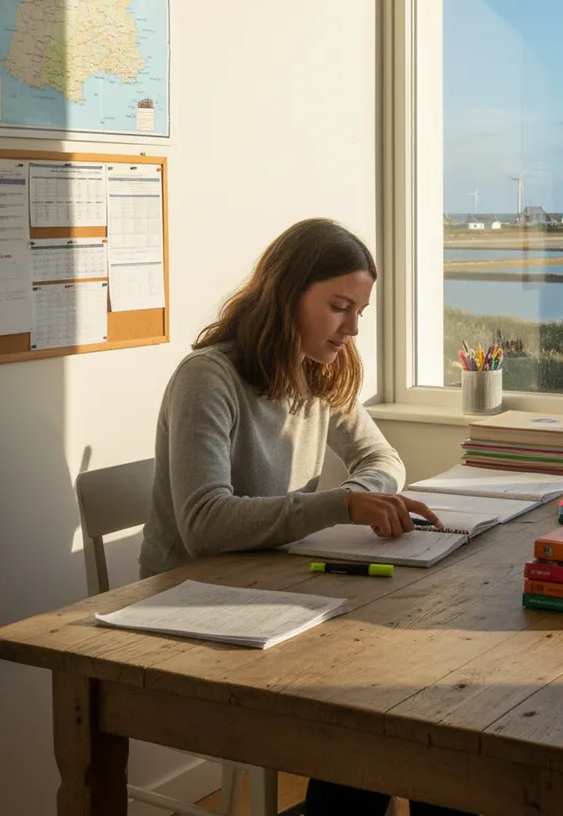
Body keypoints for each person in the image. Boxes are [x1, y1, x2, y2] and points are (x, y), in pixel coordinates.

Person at [138, 218, 469, 816]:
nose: (352, 328)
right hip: (193, 604)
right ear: (286, 295)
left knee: (413, 696)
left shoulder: (317, 371)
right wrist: (341, 504)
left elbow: (382, 457)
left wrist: (369, 493)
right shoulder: (207, 379)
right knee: (385, 705)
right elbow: (204, 523)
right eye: (339, 307)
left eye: (360, 310)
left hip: (276, 586)